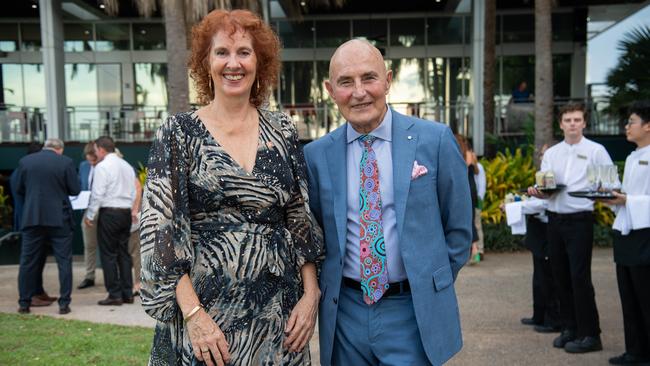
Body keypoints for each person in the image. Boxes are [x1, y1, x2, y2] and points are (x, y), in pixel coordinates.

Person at [139, 9, 323, 366]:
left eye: (244, 52)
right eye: (222, 52)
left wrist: (310, 295)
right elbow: (160, 236)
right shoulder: (178, 133)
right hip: (205, 322)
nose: (233, 63)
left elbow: (300, 220)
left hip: (277, 318)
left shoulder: (282, 131)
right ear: (205, 62)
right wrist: (194, 316)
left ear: (260, 62)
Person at [304, 39, 472, 366]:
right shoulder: (316, 155)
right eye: (346, 82)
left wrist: (428, 282)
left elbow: (460, 228)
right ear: (329, 89)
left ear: (388, 80)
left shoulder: (435, 140)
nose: (359, 92)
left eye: (369, 78)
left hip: (412, 310)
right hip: (345, 314)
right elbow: (313, 235)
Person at [528, 102, 615, 353]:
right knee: (560, 276)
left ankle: (591, 334)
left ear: (584, 123)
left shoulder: (596, 151)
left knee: (580, 278)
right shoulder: (552, 153)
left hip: (580, 219)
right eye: (568, 120)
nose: (573, 124)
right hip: (554, 219)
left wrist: (600, 189)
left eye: (577, 120)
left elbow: (610, 185)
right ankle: (570, 328)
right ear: (561, 124)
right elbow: (546, 189)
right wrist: (538, 192)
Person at [600, 101, 650, 365]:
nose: (626, 127)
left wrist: (627, 200)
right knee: (628, 296)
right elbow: (628, 195)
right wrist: (615, 199)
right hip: (626, 232)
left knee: (645, 296)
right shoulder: (632, 156)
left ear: (648, 125)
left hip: (645, 234)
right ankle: (635, 351)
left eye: (631, 121)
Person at [14, 138, 80, 315]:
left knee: (27, 262)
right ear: (59, 149)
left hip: (32, 218)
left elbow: (19, 188)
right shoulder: (66, 162)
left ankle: (24, 303)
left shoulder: (25, 162)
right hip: (59, 219)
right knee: (64, 262)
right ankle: (64, 304)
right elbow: (75, 190)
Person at [84, 136, 136, 306]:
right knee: (124, 253)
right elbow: (134, 191)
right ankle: (127, 293)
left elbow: (97, 193)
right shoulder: (127, 166)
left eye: (96, 150)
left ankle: (114, 294)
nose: (95, 153)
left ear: (101, 149)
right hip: (125, 213)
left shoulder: (103, 166)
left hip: (109, 213)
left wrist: (90, 215)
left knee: (108, 254)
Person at [10, 141, 58, 307]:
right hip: (30, 222)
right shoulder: (23, 171)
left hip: (34, 221)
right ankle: (30, 296)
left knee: (38, 260)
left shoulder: (23, 169)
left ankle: (38, 291)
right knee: (31, 261)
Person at [77, 142, 99, 290]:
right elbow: (81, 185)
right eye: (89, 159)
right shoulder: (83, 166)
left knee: (110, 245)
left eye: (94, 160)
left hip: (106, 210)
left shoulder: (107, 166)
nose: (92, 162)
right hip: (88, 209)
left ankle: (115, 277)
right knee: (89, 245)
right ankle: (89, 276)